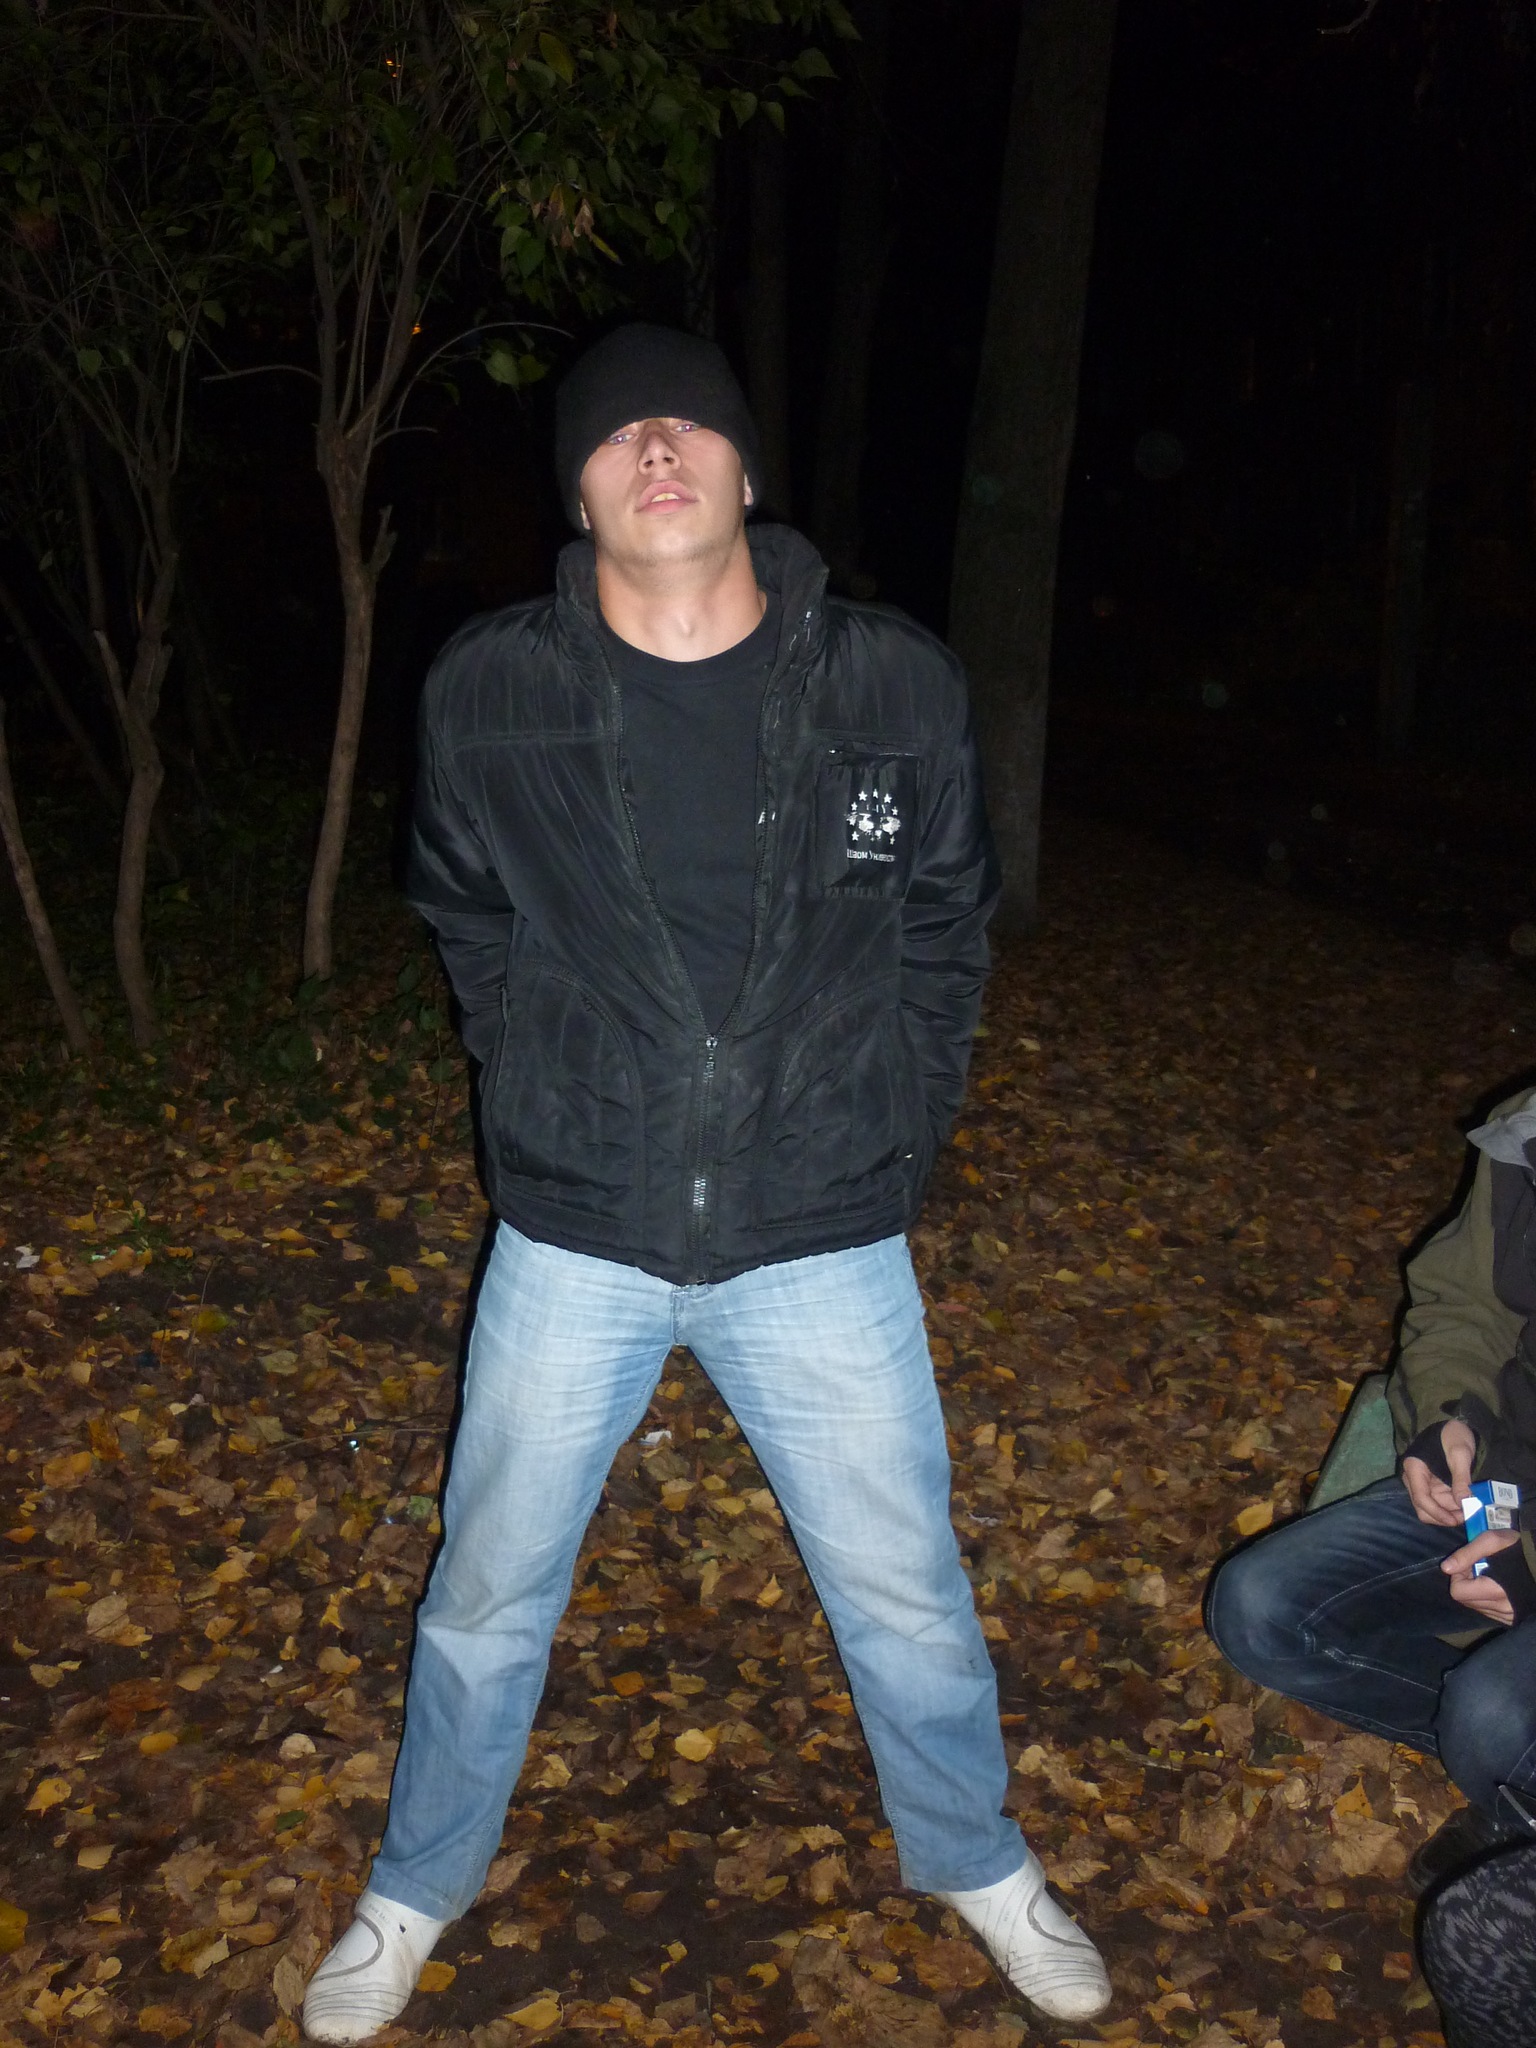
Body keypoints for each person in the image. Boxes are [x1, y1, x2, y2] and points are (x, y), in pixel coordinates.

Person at [300, 324, 1113, 2044]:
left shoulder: (890, 685)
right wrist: (539, 1077)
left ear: (746, 469)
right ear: (578, 490)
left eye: (688, 425)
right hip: (578, 1227)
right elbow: (465, 915)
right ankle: (419, 1878)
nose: (654, 448)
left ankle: (974, 1852)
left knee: (905, 1585)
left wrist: (896, 1131)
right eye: (616, 434)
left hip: (820, 1229)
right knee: (485, 1588)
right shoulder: (491, 689)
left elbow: (943, 931)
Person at [1207, 1083, 1536, 1889]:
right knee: (1260, 1608)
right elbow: (1464, 1306)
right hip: (1504, 1482)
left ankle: (1510, 1784)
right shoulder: (1529, 1135)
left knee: (1490, 1716)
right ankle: (1511, 1770)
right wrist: (1450, 1418)